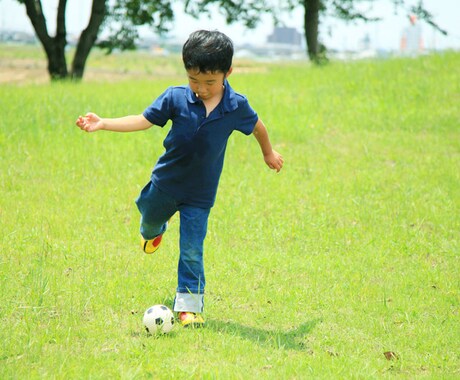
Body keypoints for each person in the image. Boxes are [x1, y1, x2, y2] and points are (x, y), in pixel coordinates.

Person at [75, 30, 284, 328]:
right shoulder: (175, 97)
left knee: (191, 249)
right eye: (193, 80)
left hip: (200, 194)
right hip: (166, 184)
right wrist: (103, 123)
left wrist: (268, 153)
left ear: (228, 73)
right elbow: (143, 120)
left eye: (209, 82)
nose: (200, 88)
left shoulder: (236, 105)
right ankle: (156, 230)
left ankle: (189, 307)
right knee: (147, 220)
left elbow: (258, 127)